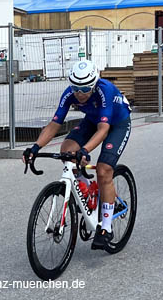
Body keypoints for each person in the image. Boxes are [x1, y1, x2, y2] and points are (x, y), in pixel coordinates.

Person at [22, 60, 132, 251]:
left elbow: (104, 130)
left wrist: (85, 150)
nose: (80, 93)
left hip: (117, 123)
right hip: (93, 120)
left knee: (104, 169)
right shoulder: (69, 94)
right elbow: (54, 124)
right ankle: (87, 189)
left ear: (94, 84)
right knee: (67, 151)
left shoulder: (104, 90)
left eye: (85, 88)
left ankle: (106, 228)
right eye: (75, 88)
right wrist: (35, 147)